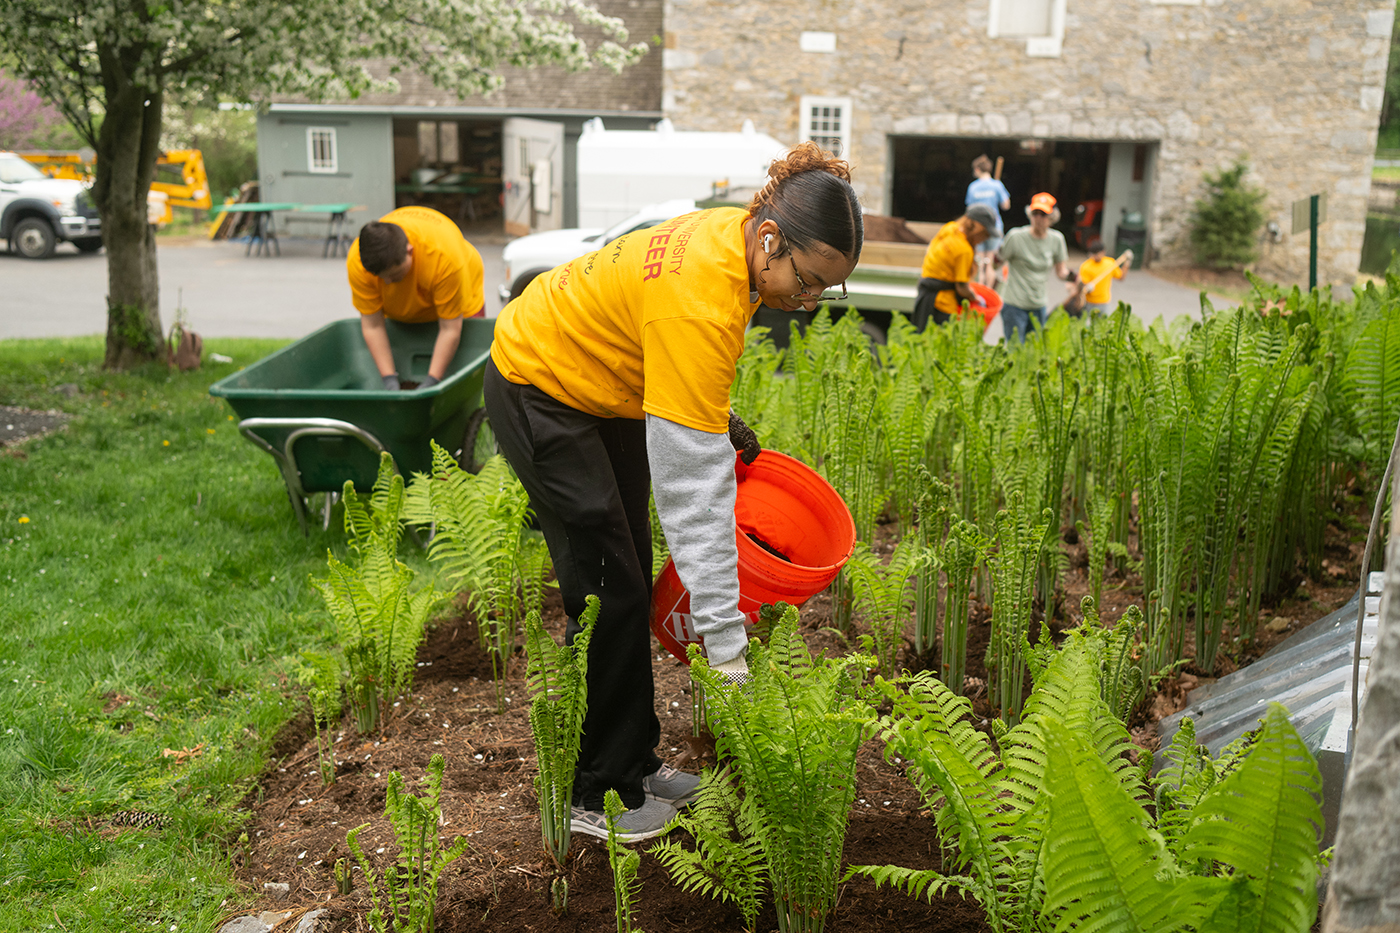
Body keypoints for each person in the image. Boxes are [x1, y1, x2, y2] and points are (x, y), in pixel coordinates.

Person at [485, 142, 861, 842]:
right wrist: (727, 653)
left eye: (824, 292)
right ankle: (595, 794)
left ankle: (635, 759)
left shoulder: (736, 239)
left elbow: (659, 342)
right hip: (539, 385)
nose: (809, 301)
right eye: (808, 281)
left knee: (623, 569)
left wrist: (712, 420)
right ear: (772, 239)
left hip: (602, 386)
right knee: (609, 587)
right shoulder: (706, 292)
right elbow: (697, 500)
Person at [346, 206, 486, 390]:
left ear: (409, 251)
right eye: (380, 277)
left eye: (394, 275)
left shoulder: (445, 260)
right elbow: (373, 325)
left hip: (458, 296)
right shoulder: (359, 261)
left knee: (463, 378)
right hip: (404, 305)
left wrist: (431, 382)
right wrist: (389, 379)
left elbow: (450, 329)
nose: (387, 282)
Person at [997, 192, 1073, 342]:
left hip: (1038, 304)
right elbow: (997, 262)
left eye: (1043, 214)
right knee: (1016, 351)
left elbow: (1061, 272)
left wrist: (1076, 278)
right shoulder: (1016, 237)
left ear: (1052, 218)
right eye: (1035, 213)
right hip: (1014, 304)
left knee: (1035, 351)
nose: (1038, 218)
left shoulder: (1056, 239)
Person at [913, 204, 997, 330]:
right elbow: (962, 287)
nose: (985, 238)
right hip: (942, 306)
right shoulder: (964, 250)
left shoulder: (950, 228)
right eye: (985, 233)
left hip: (926, 296)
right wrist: (975, 298)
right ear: (977, 227)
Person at [965, 155, 1010, 287]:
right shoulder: (997, 185)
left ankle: (979, 292)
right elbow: (1006, 205)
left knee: (980, 264)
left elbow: (969, 209)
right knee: (989, 263)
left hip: (977, 229)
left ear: (978, 169)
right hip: (994, 227)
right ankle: (988, 293)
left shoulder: (973, 187)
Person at [1076, 238, 1130, 315]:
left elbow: (1121, 277)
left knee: (1104, 324)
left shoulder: (1110, 263)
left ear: (1103, 252)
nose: (1095, 256)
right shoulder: (1085, 266)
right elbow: (1081, 284)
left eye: (1097, 253)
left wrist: (1127, 263)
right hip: (1089, 302)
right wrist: (1086, 287)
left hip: (1104, 302)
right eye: (1093, 254)